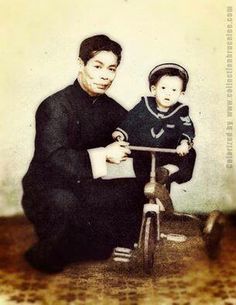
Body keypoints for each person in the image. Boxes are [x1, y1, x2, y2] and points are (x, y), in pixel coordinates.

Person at [22, 34, 145, 273]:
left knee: (132, 191)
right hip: (49, 190)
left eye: (111, 69)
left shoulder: (114, 110)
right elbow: (54, 159)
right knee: (64, 221)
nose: (105, 75)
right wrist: (105, 155)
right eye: (97, 66)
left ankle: (93, 241)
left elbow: (144, 139)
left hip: (89, 189)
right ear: (81, 65)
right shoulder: (55, 106)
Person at [112, 63, 196, 187]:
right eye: (163, 88)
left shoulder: (181, 111)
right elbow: (131, 120)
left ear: (181, 94)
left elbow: (187, 128)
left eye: (174, 90)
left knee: (190, 154)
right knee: (144, 183)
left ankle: (170, 170)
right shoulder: (144, 105)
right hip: (144, 152)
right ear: (154, 89)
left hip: (168, 153)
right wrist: (121, 133)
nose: (168, 93)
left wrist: (184, 143)